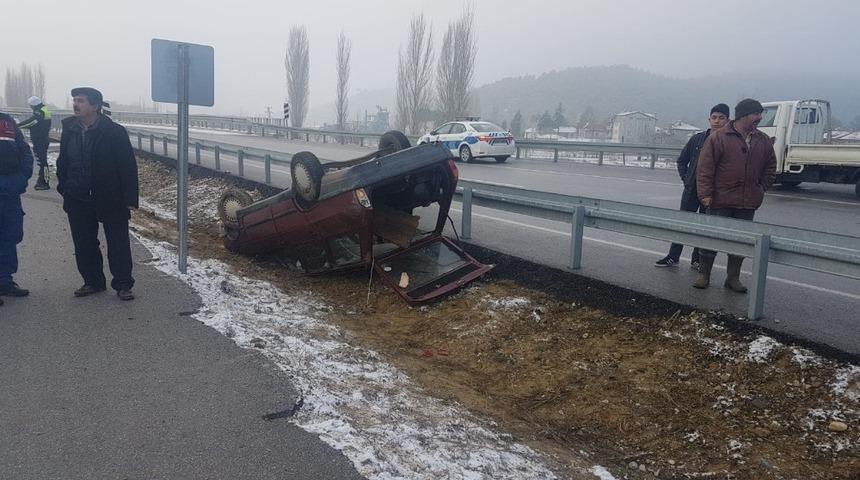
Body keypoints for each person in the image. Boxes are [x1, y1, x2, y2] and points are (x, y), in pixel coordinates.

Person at [56, 87, 139, 301]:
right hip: (77, 195)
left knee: (118, 242)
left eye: (81, 101)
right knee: (84, 242)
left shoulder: (114, 131)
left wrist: (130, 198)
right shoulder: (70, 129)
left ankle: (123, 284)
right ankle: (93, 281)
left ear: (95, 106)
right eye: (74, 100)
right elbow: (63, 161)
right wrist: (64, 188)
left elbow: (127, 166)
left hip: (110, 195)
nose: (75, 104)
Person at [694, 98, 776, 291]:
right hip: (719, 200)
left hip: (747, 202)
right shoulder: (719, 137)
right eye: (755, 114)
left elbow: (770, 166)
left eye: (759, 113)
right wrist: (705, 195)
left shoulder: (762, 139)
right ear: (743, 116)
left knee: (740, 242)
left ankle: (732, 278)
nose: (759, 118)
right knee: (711, 238)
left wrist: (761, 188)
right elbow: (705, 168)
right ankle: (704, 275)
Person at [655, 103, 730, 270]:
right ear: (709, 119)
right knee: (683, 223)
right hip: (692, 189)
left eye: (721, 118)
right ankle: (673, 256)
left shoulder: (729, 142)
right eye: (714, 118)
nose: (717, 121)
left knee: (704, 226)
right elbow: (682, 161)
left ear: (728, 120)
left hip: (713, 193)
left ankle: (697, 259)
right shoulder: (697, 139)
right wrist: (686, 179)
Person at [0, 110, 35, 305]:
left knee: (10, 235)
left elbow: (24, 150)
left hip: (10, 190)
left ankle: (5, 282)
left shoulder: (6, 121)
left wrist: (23, 177)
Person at [17, 96, 52, 190]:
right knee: (42, 162)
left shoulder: (40, 113)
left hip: (40, 140)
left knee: (42, 162)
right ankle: (43, 180)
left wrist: (17, 126)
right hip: (42, 139)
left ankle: (45, 182)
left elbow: (31, 122)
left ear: (33, 105)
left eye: (30, 105)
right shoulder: (44, 110)